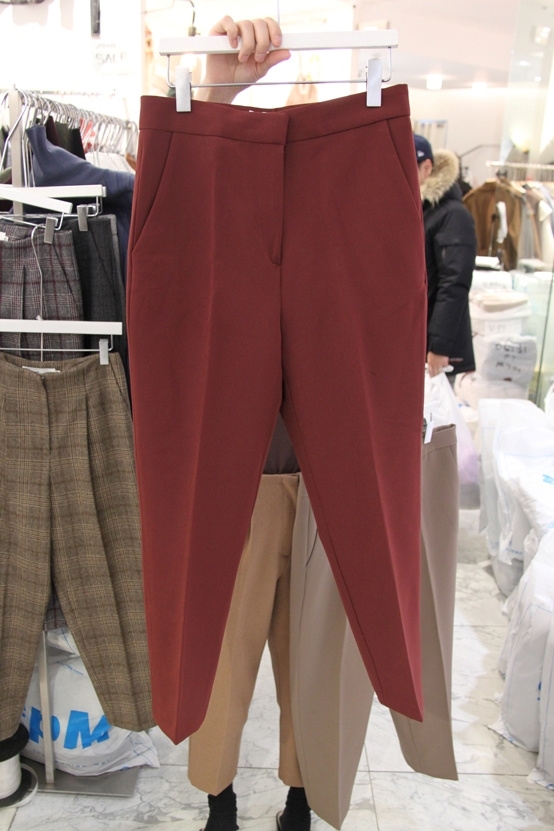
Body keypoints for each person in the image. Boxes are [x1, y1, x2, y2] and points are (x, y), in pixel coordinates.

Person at [182, 17, 311, 831]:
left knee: (312, 658)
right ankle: (219, 795)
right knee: (225, 658)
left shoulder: (341, 205)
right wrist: (217, 94)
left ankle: (302, 789)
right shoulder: (222, 220)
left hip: (322, 475)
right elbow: (182, 207)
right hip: (244, 474)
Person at [414, 133, 477, 378]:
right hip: (416, 338)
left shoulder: (452, 215)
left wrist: (439, 346)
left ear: (427, 167)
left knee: (435, 400)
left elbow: (454, 283)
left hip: (434, 347)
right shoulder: (419, 211)